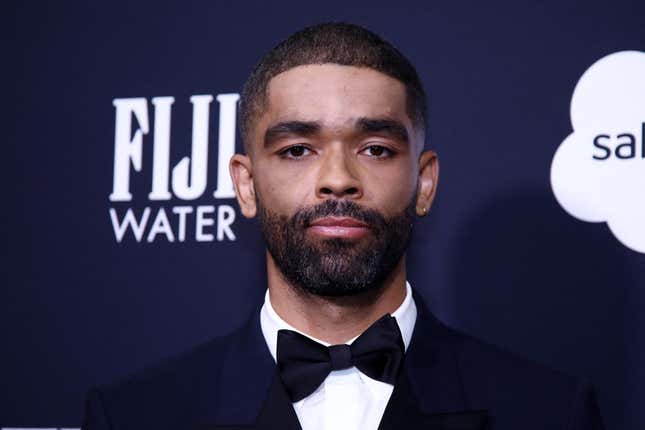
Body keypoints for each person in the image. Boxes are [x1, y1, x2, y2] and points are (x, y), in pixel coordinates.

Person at [83, 22, 604, 430]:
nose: (337, 179)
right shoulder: (134, 415)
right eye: (297, 150)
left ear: (424, 183)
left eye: (375, 149)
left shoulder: (550, 412)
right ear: (245, 185)